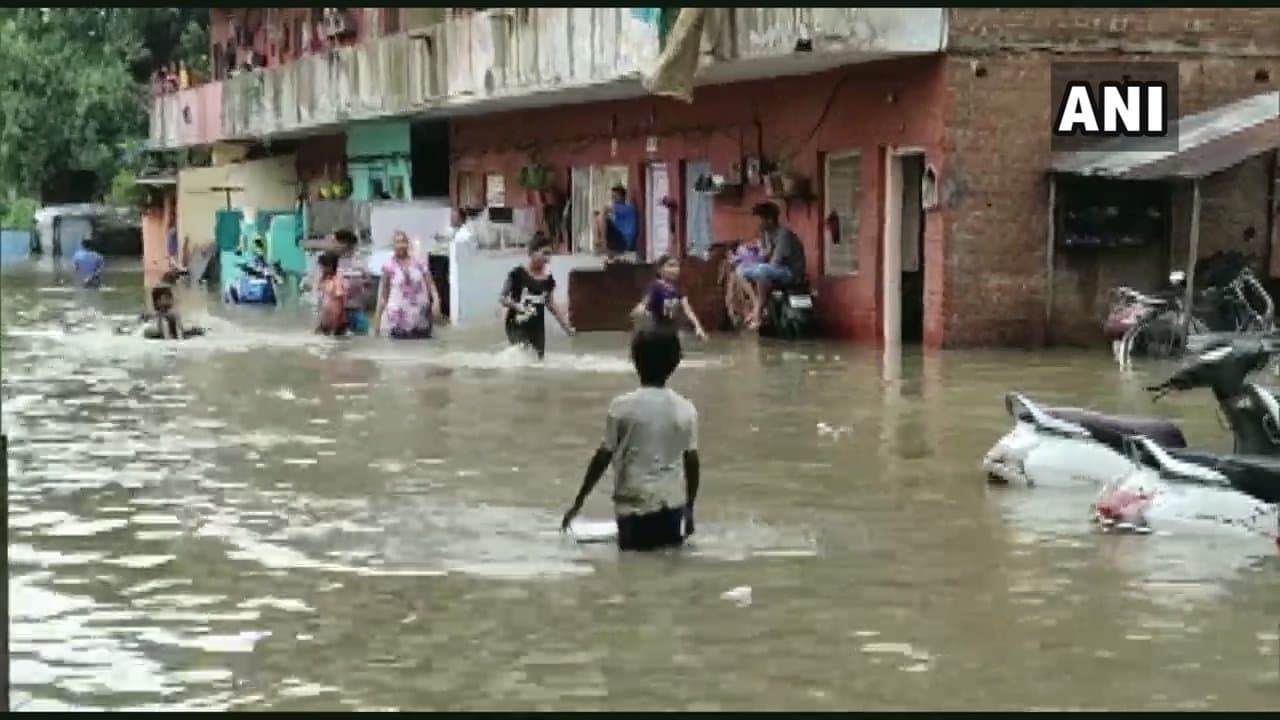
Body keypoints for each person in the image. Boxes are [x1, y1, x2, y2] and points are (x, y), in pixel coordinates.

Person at [560, 327, 700, 552]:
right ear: (675, 363)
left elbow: (602, 458)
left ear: (635, 361)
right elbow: (692, 463)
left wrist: (579, 502)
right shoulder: (686, 409)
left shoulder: (621, 407)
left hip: (634, 510)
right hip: (672, 508)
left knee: (634, 570)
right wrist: (690, 508)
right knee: (669, 568)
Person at [500, 233, 575, 359]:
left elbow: (550, 304)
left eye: (550, 254)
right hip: (518, 323)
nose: (548, 259)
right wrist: (517, 306)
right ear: (533, 252)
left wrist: (566, 327)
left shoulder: (548, 278)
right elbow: (502, 298)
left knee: (538, 360)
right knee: (521, 356)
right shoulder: (517, 274)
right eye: (544, 253)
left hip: (537, 325)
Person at [738, 202, 807, 330]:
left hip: (791, 272)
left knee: (761, 271)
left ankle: (758, 313)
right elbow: (765, 256)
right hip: (774, 269)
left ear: (769, 219)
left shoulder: (783, 234)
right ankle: (757, 305)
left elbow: (776, 261)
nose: (757, 223)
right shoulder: (766, 234)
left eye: (760, 219)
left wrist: (759, 266)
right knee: (741, 270)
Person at [374, 230, 440, 339]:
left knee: (424, 348)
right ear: (393, 245)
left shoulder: (419, 262)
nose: (401, 245)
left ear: (408, 243)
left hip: (421, 316)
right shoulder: (388, 266)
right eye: (397, 242)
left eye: (403, 242)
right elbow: (383, 296)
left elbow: (431, 285)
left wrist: (436, 301)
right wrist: (377, 323)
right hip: (397, 319)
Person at [631, 254, 708, 340]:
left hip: (669, 330)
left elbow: (688, 310)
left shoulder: (678, 288)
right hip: (655, 331)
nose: (675, 269)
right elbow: (642, 307)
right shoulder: (656, 287)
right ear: (659, 270)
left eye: (677, 266)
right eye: (671, 266)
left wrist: (698, 327)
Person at [333, 229, 371, 334]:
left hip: (356, 309)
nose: (335, 245)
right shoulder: (333, 261)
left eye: (337, 242)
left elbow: (368, 281)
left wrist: (362, 282)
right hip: (338, 311)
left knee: (361, 339)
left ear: (347, 244)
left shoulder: (359, 260)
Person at [315, 251, 348, 336]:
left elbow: (340, 303)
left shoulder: (336, 281)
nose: (320, 269)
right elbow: (322, 301)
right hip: (326, 319)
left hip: (335, 321)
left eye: (322, 267)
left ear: (330, 266)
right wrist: (320, 322)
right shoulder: (325, 280)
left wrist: (337, 322)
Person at [602, 184, 638, 262]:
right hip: (620, 240)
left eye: (615, 196)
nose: (613, 199)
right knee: (602, 218)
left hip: (625, 242)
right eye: (612, 196)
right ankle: (604, 247)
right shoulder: (619, 208)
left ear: (622, 197)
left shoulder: (628, 208)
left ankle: (602, 245)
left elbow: (606, 209)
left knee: (601, 218)